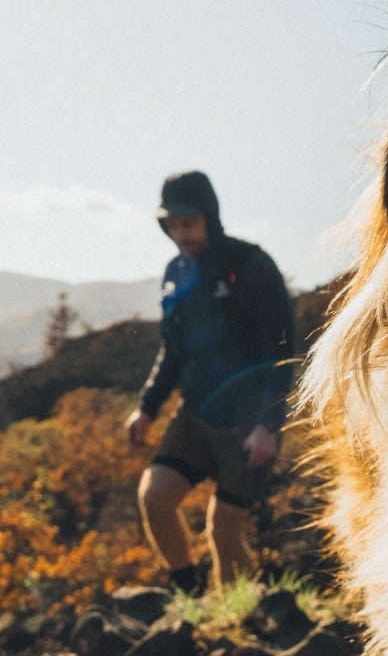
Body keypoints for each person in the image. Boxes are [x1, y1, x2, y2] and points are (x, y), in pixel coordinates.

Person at [125, 170, 295, 593]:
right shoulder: (176, 273)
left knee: (224, 528)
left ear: (209, 216)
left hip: (248, 423)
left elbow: (282, 347)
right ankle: (189, 596)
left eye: (189, 222)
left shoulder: (251, 264)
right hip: (196, 414)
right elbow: (173, 349)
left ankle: (237, 615)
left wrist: (268, 426)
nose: (181, 233)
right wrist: (147, 407)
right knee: (155, 497)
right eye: (173, 224)